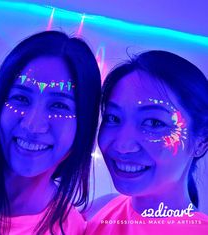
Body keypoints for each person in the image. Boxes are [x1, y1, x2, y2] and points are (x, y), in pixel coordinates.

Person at [0, 30, 101, 235]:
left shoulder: (69, 229)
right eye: (21, 99)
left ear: (84, 126)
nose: (32, 126)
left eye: (59, 106)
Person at [86, 50, 208, 235]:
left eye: (154, 123)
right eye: (113, 118)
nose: (122, 146)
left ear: (201, 142)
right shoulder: (96, 212)